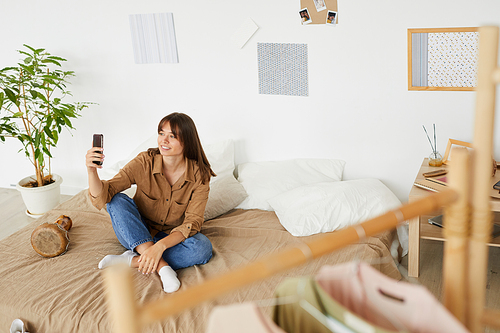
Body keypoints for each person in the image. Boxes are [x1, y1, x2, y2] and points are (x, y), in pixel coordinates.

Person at [86, 112, 216, 293]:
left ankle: (132, 260)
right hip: (135, 233)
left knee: (202, 248)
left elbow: (192, 222)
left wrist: (160, 247)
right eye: (161, 133)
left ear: (187, 141)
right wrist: (92, 171)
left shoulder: (199, 175)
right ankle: (162, 267)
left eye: (172, 136)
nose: (164, 140)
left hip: (170, 238)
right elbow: (105, 195)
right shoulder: (144, 161)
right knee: (116, 201)